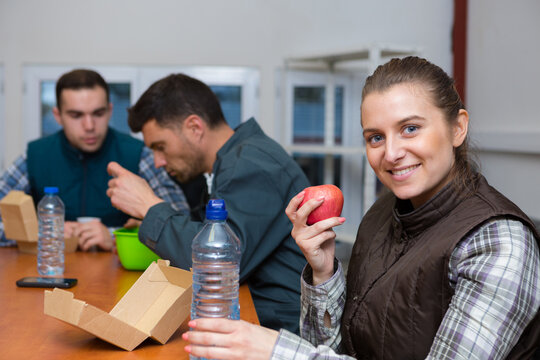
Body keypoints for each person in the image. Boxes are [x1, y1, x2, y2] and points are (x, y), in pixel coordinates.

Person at [182, 56, 540, 360]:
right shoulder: (384, 212)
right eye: (376, 137)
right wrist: (323, 271)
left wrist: (276, 350)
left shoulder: (499, 243)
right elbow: (334, 348)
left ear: (458, 127)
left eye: (411, 128)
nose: (392, 153)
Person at [106, 73, 310, 334]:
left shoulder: (251, 164)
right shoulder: (236, 159)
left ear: (194, 127)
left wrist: (149, 206)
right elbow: (213, 233)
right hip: (257, 319)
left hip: (280, 333)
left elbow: (221, 263)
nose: (157, 161)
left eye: (161, 146)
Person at [0, 69, 188, 251]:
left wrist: (114, 236)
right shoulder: (35, 155)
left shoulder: (140, 155)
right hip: (50, 270)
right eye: (76, 115)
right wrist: (43, 232)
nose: (89, 126)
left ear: (110, 111)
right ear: (58, 116)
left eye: (98, 114)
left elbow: (181, 222)